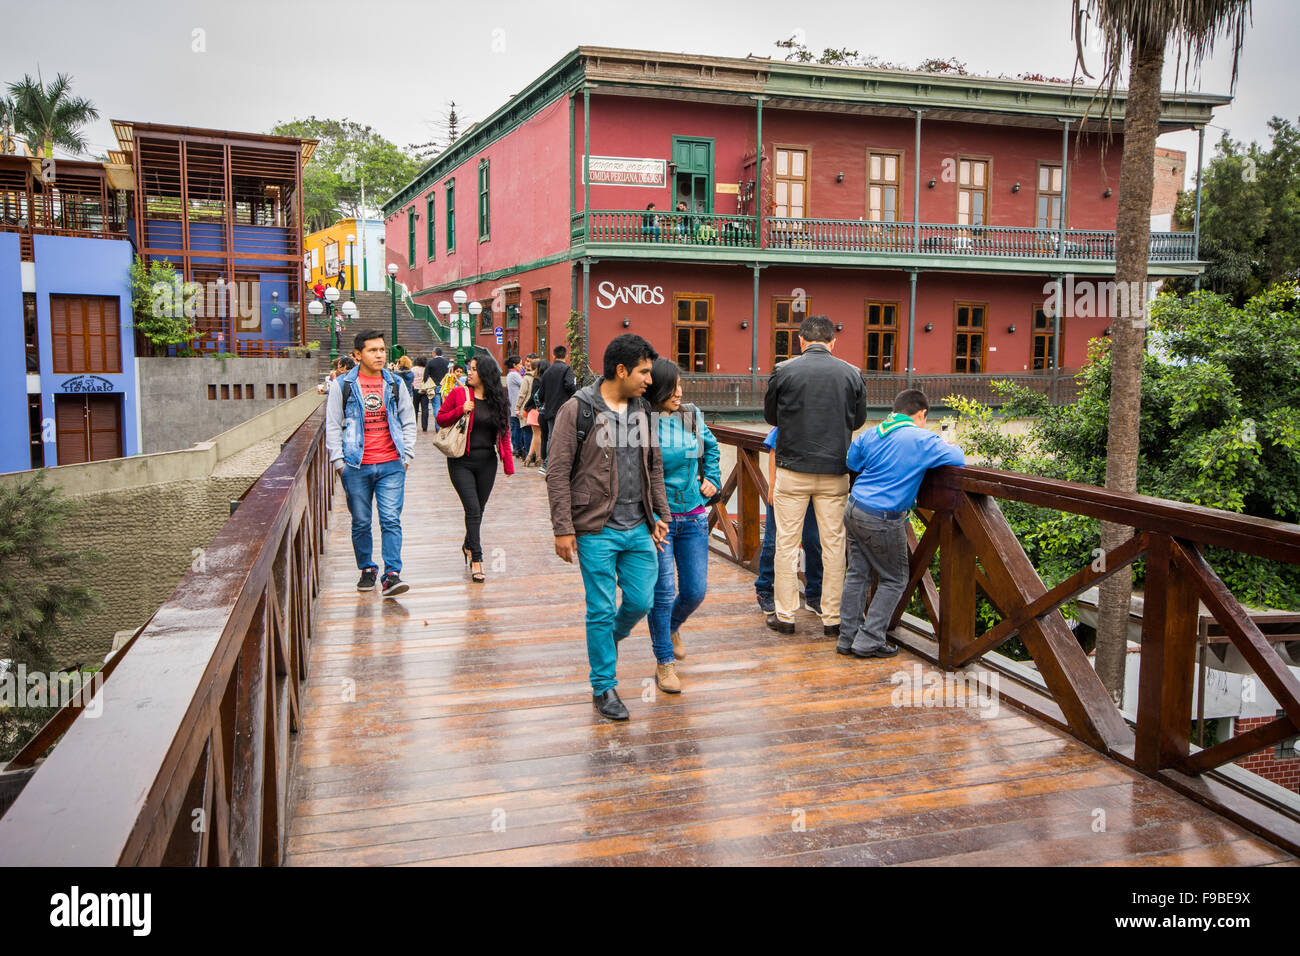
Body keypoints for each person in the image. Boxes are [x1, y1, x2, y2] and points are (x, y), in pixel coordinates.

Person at [546, 334, 669, 721]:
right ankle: (604, 686)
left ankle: (607, 642)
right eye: (644, 372)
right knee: (599, 608)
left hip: (639, 526)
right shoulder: (577, 409)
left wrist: (660, 513)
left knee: (641, 601)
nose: (650, 379)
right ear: (621, 370)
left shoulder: (644, 411)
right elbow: (557, 471)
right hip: (596, 528)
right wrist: (563, 528)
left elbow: (654, 466)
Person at [839, 389, 965, 658]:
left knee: (856, 574)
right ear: (921, 414)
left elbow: (852, 461)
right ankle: (869, 640)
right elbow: (958, 459)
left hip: (855, 507)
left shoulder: (873, 433)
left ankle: (848, 637)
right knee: (895, 579)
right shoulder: (921, 438)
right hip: (882, 516)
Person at [762, 313, 866, 636]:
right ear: (833, 342)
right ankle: (833, 617)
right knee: (833, 545)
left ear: (801, 341)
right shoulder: (852, 374)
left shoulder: (783, 371)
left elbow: (769, 416)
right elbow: (858, 421)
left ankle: (785, 615)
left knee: (786, 544)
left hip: (792, 470)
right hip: (835, 472)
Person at [644, 358, 721, 693]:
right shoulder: (641, 422)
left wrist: (713, 478)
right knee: (662, 594)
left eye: (680, 385)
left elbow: (712, 448)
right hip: (659, 520)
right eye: (672, 387)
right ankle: (664, 662)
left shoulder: (691, 415)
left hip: (693, 515)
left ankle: (673, 626)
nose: (679, 392)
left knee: (694, 590)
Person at [325, 329, 416, 598]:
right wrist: (338, 462)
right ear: (357, 355)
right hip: (355, 465)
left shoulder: (395, 383)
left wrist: (406, 456)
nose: (379, 355)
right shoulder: (343, 385)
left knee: (390, 519)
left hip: (391, 463)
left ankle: (392, 575)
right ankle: (367, 569)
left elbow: (408, 420)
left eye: (382, 350)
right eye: (372, 350)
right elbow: (333, 425)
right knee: (361, 521)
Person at [437, 351, 516, 582]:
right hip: (461, 460)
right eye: (468, 369)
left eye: (473, 369)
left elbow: (504, 432)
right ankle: (478, 559)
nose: (468, 373)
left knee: (478, 511)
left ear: (485, 374)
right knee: (472, 509)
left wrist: (508, 465)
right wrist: (460, 410)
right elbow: (441, 419)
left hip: (487, 462)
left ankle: (468, 543)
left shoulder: (498, 397)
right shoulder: (459, 393)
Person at [754, 426, 823, 615]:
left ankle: (815, 594)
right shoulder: (788, 417)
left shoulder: (823, 418)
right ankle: (764, 589)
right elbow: (774, 450)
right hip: (785, 488)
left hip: (811, 489)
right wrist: (772, 485)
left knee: (813, 541)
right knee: (772, 542)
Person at [537, 344, 577, 472]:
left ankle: (547, 464)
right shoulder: (567, 369)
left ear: (553, 355)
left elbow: (540, 394)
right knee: (565, 437)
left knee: (551, 437)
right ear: (566, 355)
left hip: (550, 410)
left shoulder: (547, 371)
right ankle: (555, 464)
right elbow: (570, 385)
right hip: (564, 409)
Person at [522, 358, 547, 466]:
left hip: (534, 409)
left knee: (535, 435)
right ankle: (539, 458)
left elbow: (533, 395)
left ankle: (529, 458)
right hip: (538, 410)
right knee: (537, 435)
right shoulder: (544, 379)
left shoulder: (537, 379)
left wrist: (526, 406)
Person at [504, 355, 525, 458]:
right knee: (516, 428)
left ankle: (517, 447)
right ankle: (517, 448)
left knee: (515, 427)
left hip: (513, 405)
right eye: (520, 364)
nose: (522, 366)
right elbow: (524, 385)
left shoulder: (511, 374)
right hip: (516, 406)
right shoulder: (514, 375)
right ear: (514, 365)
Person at [425, 348, 450, 430]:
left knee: (436, 407)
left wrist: (426, 384)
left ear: (434, 353)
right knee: (445, 406)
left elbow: (426, 375)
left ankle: (438, 426)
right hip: (445, 387)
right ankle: (444, 425)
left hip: (435, 386)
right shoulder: (447, 362)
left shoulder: (430, 362)